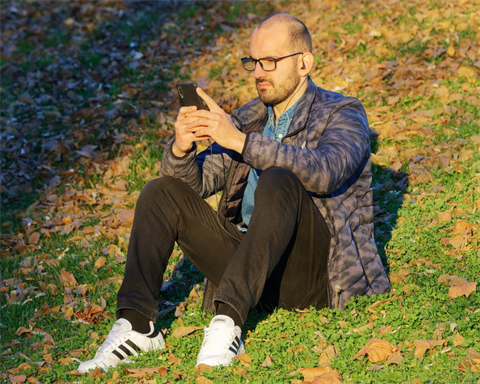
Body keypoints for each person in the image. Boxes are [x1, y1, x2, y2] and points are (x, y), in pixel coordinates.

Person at [77, 13, 390, 373]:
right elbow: (193, 187)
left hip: (313, 275)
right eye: (252, 62)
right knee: (160, 191)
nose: (258, 72)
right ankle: (137, 326)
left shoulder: (343, 111)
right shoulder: (249, 116)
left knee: (279, 179)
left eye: (270, 61)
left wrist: (240, 141)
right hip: (251, 267)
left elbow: (325, 171)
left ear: (304, 63)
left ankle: (227, 323)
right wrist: (182, 149)